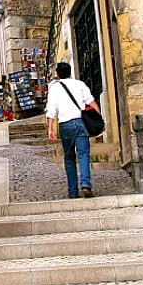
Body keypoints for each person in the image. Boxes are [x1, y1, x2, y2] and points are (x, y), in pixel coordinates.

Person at [45, 62, 102, 199]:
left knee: (69, 158)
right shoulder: (80, 84)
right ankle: (86, 184)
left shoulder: (54, 89)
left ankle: (72, 191)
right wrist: (99, 119)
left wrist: (50, 129)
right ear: (70, 72)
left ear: (57, 74)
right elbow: (91, 102)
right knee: (83, 155)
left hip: (65, 125)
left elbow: (51, 110)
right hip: (81, 123)